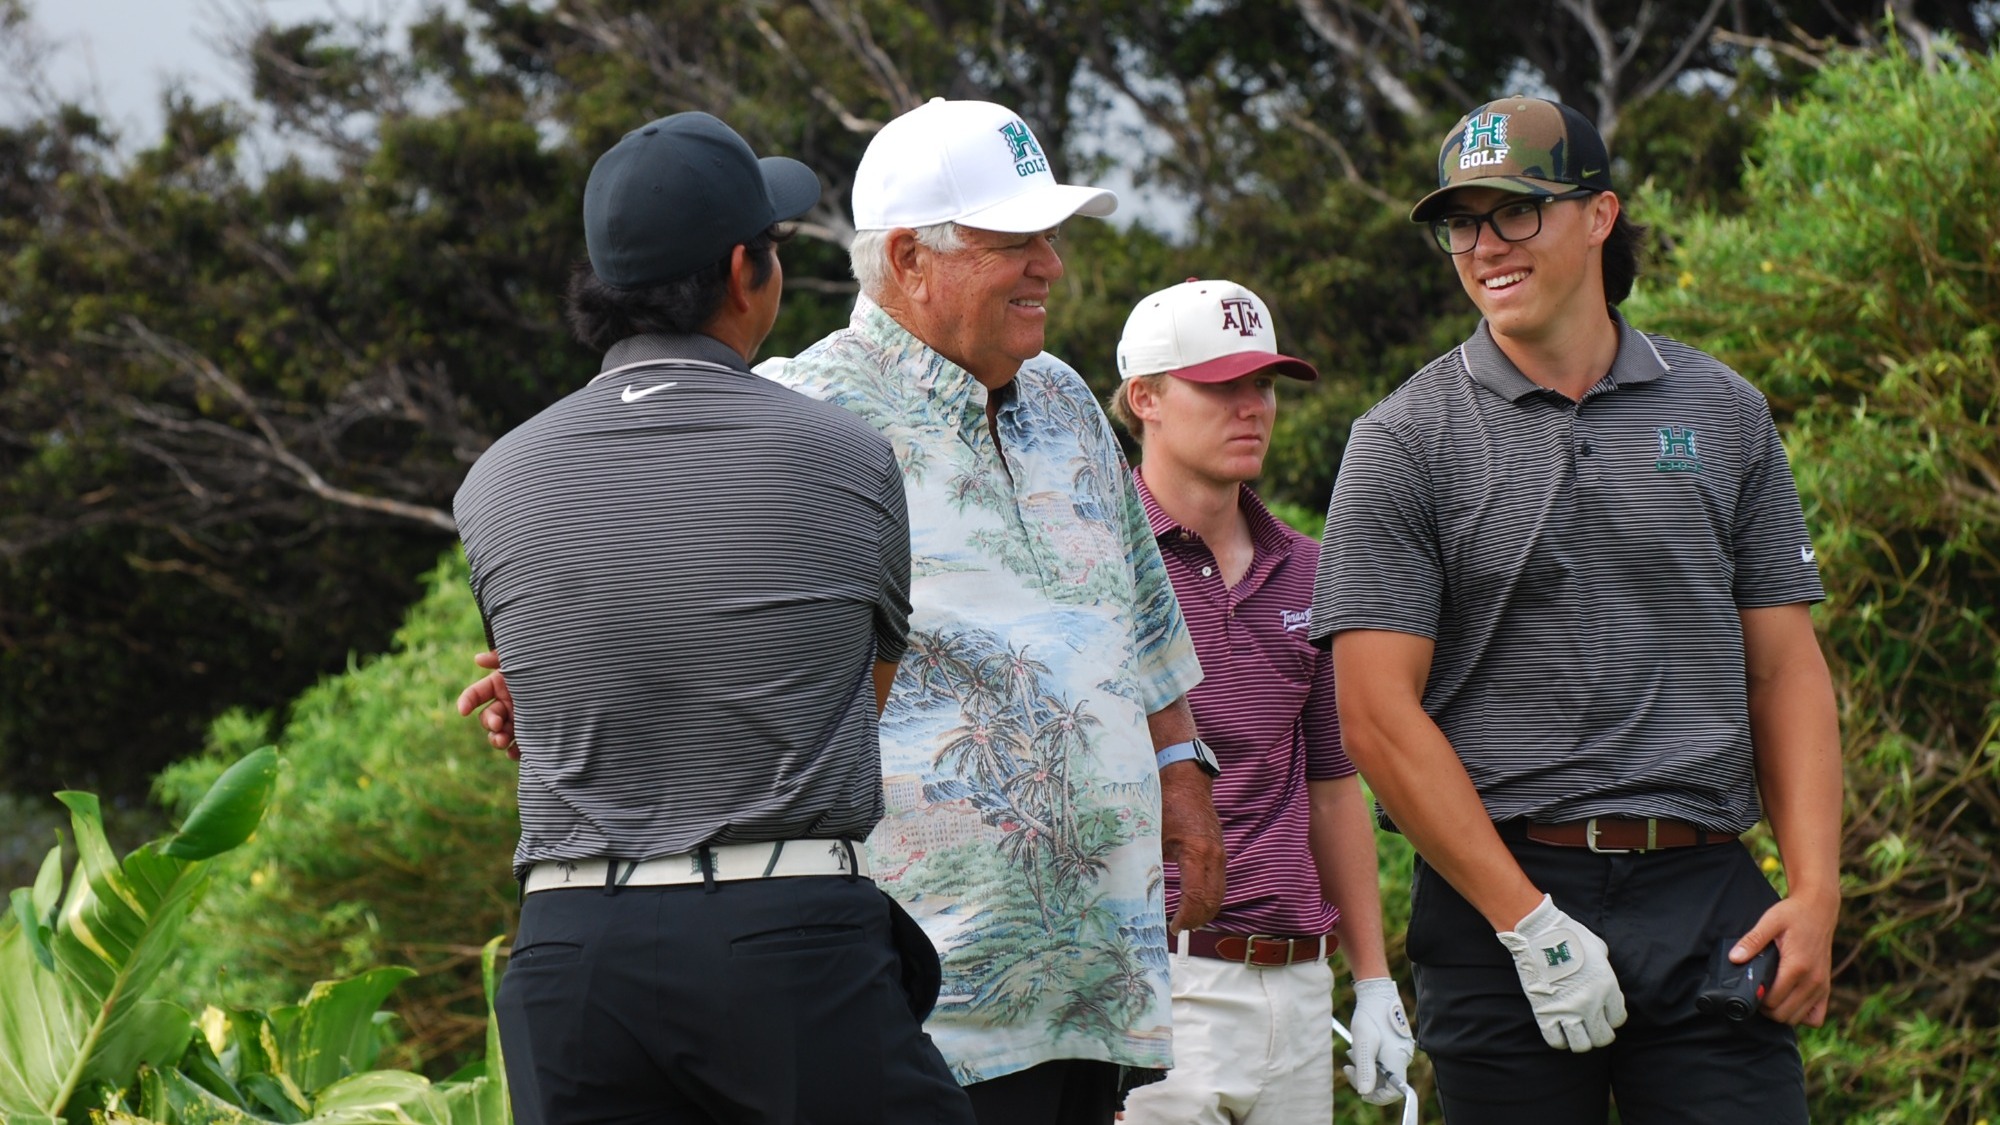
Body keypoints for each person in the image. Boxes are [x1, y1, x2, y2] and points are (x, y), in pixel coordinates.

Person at [463, 98, 1225, 1125]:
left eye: (1051, 236)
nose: (1049, 264)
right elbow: (678, 631)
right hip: (932, 985)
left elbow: (1133, 610)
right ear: (910, 258)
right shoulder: (795, 414)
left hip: (1091, 971)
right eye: (1015, 241)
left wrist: (1179, 769)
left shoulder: (1067, 400)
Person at [1311, 96, 1842, 1124]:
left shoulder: (1721, 412)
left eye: (1512, 213)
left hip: (1705, 900)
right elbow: (1374, 712)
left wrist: (1814, 890)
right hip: (1494, 900)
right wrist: (1527, 925)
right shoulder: (1400, 439)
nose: (1481, 247)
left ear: (1597, 217)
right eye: (1460, 223)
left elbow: (1783, 667)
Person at [452, 111, 972, 1125]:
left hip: (570, 959)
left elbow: (568, 692)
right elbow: (850, 700)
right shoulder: (845, 457)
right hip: (778, 950)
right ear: (744, 273)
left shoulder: (495, 478)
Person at [1104, 278, 1416, 1123]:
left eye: (1265, 385)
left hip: (1300, 986)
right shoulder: (1092, 561)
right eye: (1221, 385)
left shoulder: (1312, 570)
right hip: (1154, 979)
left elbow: (1331, 784)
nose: (1253, 407)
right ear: (1147, 399)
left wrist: (1376, 978)